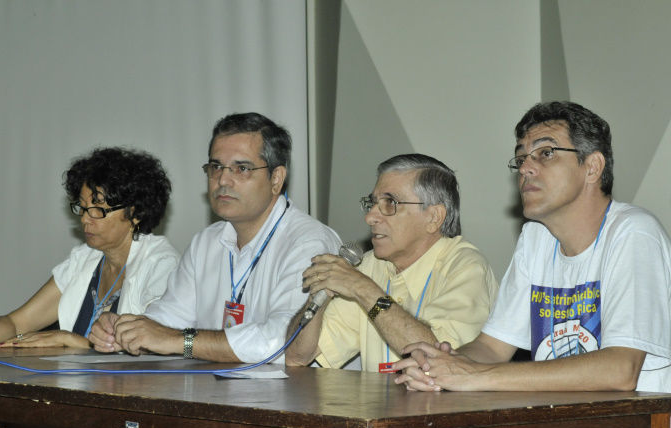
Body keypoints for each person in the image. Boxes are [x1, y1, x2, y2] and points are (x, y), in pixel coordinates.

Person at [398, 101, 671, 392]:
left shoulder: (633, 232)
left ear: (592, 167)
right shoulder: (536, 238)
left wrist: (474, 376)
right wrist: (437, 367)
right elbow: (492, 348)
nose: (526, 168)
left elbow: (621, 370)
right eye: (521, 159)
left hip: (641, 419)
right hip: (559, 417)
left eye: (546, 153)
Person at [89, 112, 341, 362]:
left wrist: (182, 341)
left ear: (276, 179)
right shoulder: (206, 242)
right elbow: (168, 320)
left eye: (241, 169)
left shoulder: (308, 243)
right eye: (216, 167)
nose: (223, 180)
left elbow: (283, 340)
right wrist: (125, 330)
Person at [0, 147, 179, 348]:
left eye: (98, 209)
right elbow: (17, 324)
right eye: (82, 207)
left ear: (135, 213)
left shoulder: (162, 265)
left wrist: (68, 339)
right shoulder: (85, 258)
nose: (85, 219)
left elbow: (150, 348)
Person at [285, 154, 498, 372]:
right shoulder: (371, 265)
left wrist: (363, 289)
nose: (370, 217)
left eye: (390, 203)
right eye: (372, 203)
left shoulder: (466, 268)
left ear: (434, 217)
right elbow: (297, 357)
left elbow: (437, 363)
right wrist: (319, 294)